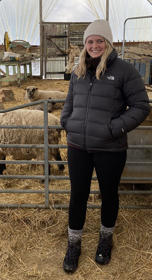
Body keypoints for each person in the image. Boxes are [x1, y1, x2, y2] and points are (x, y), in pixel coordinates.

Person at [60, 19, 150, 273]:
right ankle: (74, 243)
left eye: (100, 41)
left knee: (108, 194)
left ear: (108, 43)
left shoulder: (123, 70)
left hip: (110, 148)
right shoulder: (78, 70)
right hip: (78, 145)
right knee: (78, 194)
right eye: (90, 41)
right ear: (85, 44)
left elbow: (142, 106)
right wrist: (67, 122)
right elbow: (70, 100)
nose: (95, 45)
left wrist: (114, 128)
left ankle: (105, 239)